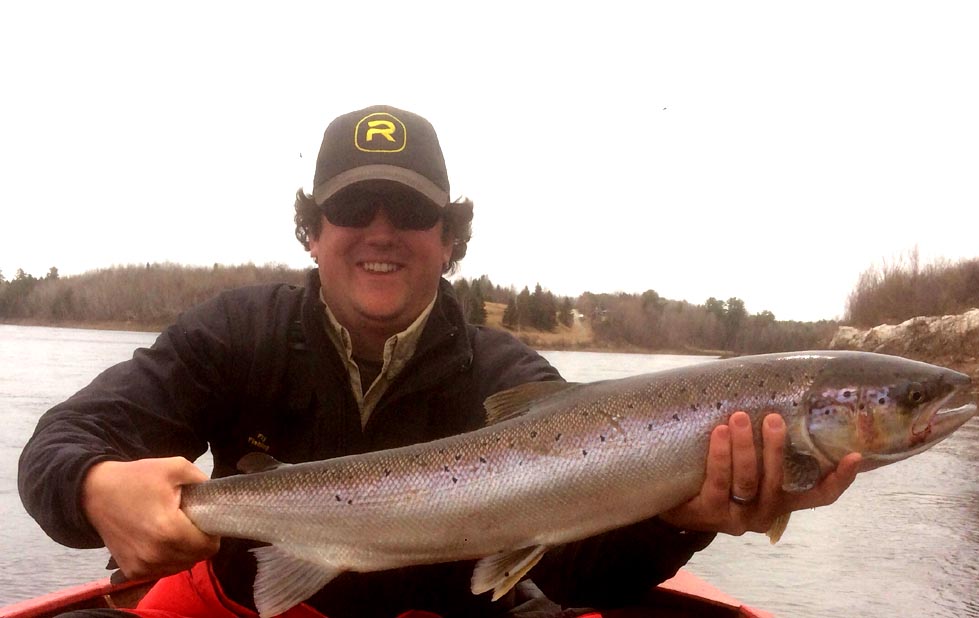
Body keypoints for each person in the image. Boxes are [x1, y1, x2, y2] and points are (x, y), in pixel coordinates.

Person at [18, 105, 861, 618]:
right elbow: (59, 444)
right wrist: (93, 488)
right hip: (249, 603)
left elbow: (577, 572)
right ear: (312, 230)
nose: (380, 230)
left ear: (450, 239)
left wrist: (681, 518)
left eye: (411, 211)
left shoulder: (511, 382)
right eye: (354, 206)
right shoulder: (235, 334)